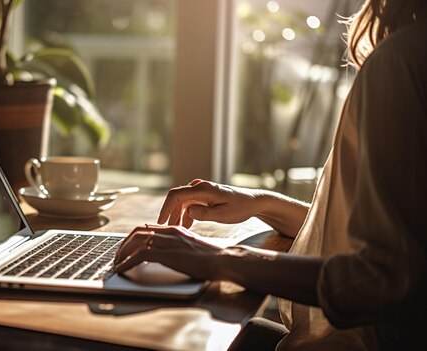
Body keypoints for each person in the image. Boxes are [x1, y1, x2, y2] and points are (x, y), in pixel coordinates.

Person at [113, 0, 427, 349]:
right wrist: (265, 204)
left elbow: (382, 280)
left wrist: (219, 258)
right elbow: (396, 240)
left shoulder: (402, 60)